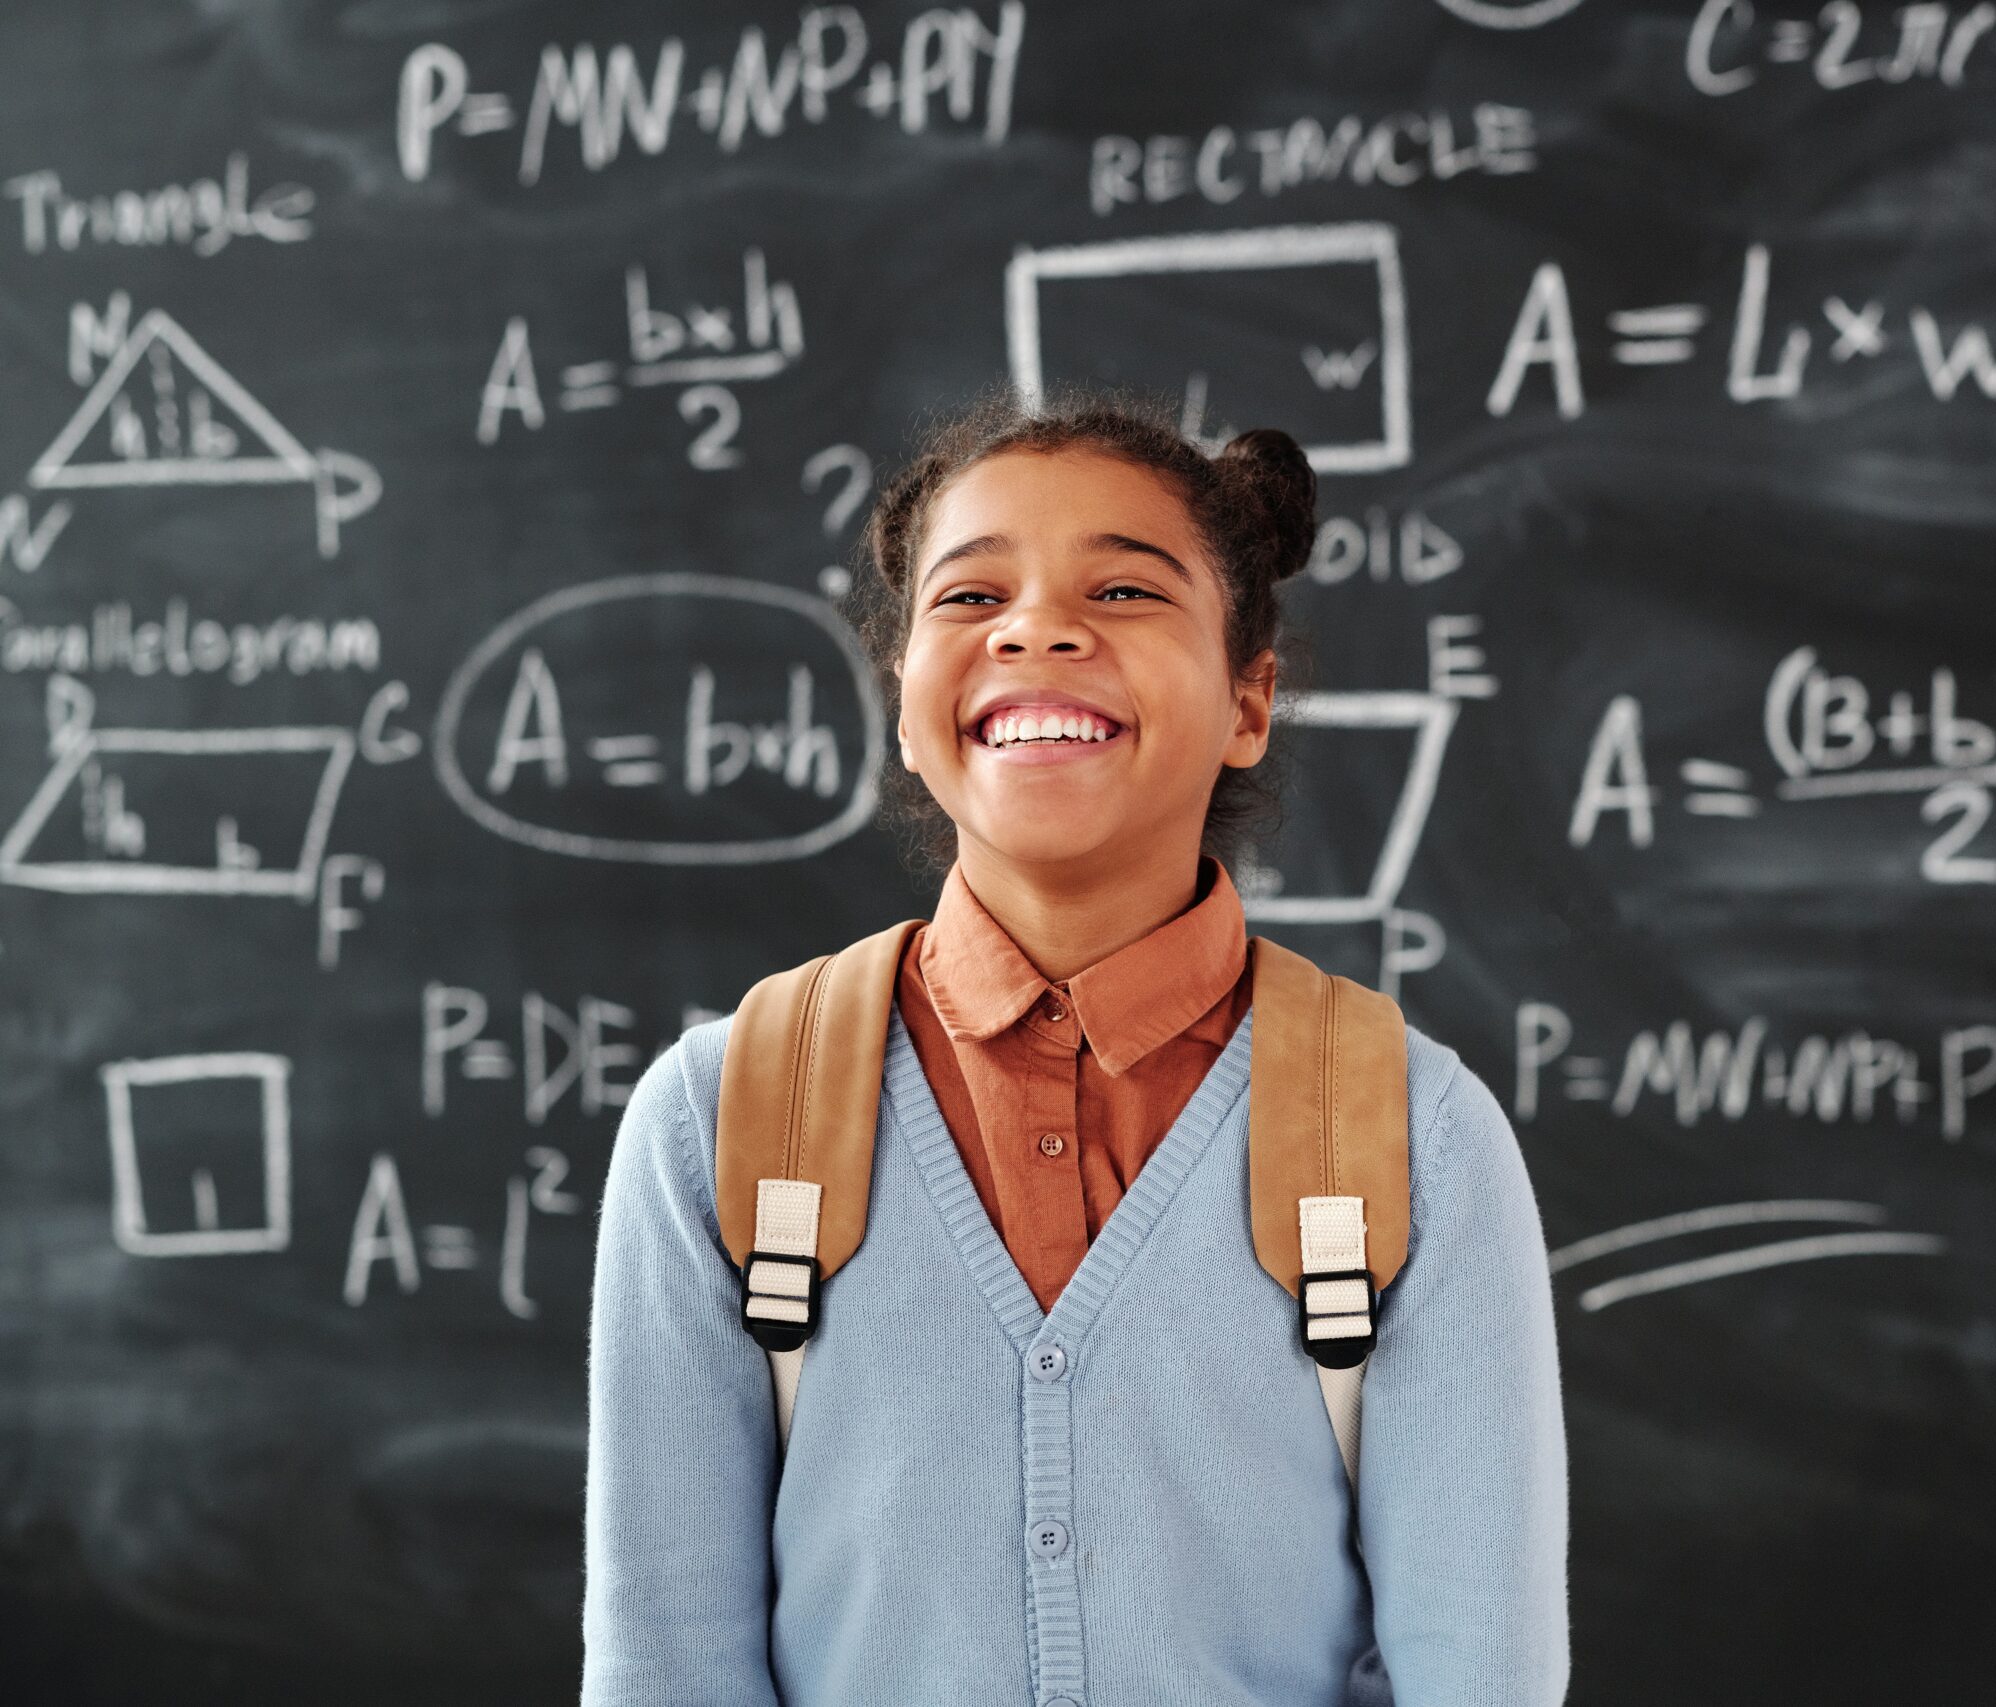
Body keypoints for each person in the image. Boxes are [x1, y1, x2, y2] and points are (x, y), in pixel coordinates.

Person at [581, 388, 1569, 1705]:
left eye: (1124, 593)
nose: (1036, 626)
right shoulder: (722, 1119)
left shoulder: (1407, 1133)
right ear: (902, 700)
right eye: (970, 598)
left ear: (1248, 700)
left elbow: (1480, 1679)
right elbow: (668, 1671)